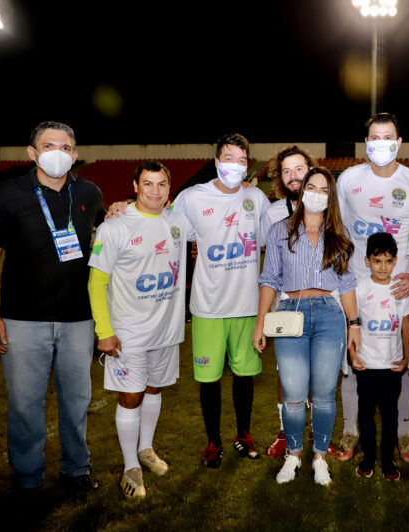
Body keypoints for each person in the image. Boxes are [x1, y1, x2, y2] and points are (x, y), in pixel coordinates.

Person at [0, 121, 104, 495]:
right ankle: (28, 478)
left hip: (79, 320)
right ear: (32, 153)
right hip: (21, 320)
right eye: (49, 145)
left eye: (66, 147)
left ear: (75, 155)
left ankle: (76, 470)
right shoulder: (8, 194)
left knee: (77, 403)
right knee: (24, 406)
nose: (58, 152)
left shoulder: (90, 192)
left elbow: (111, 239)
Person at [336, 112, 409, 463]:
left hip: (400, 289)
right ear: (366, 143)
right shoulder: (348, 179)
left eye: (388, 137)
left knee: (401, 362)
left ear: (399, 141)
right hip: (358, 287)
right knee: (355, 359)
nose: (382, 144)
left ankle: (404, 435)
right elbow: (343, 232)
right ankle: (351, 432)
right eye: (375, 138)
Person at [87, 161, 188, 498]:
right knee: (130, 397)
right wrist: (104, 331)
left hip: (166, 330)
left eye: (161, 184)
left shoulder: (177, 219)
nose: (155, 191)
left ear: (169, 189)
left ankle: (146, 449)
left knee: (155, 389)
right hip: (128, 332)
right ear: (135, 186)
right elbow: (96, 283)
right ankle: (130, 465)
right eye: (148, 184)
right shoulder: (115, 225)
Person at [254, 166, 360, 486]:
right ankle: (294, 454)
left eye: (323, 190)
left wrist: (354, 324)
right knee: (294, 393)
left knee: (326, 394)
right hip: (290, 313)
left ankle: (320, 457)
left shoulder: (339, 235)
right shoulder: (279, 230)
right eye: (311, 188)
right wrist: (260, 323)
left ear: (331, 196)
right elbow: (269, 279)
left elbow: (347, 284)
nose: (316, 194)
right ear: (302, 192)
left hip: (330, 314)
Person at [171, 133, 271, 464]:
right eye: (229, 158)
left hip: (246, 306)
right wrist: (123, 208)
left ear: (247, 165)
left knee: (245, 375)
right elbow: (163, 225)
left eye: (242, 160)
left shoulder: (256, 198)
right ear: (216, 162)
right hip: (208, 307)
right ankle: (214, 442)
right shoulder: (192, 197)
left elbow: (279, 235)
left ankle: (243, 434)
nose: (235, 165)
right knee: (209, 379)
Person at [261, 145, 320, 458]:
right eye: (286, 171)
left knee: (318, 373)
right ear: (278, 177)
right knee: (287, 373)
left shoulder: (330, 206)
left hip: (324, 304)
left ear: (311, 168)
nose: (294, 176)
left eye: (299, 169)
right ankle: (286, 432)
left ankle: (314, 431)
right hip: (285, 304)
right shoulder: (272, 212)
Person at [352, 232, 409, 480]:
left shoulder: (401, 290)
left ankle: (388, 460)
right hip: (366, 365)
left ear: (396, 261)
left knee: (390, 414)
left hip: (392, 366)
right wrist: (353, 355)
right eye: (377, 260)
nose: (383, 266)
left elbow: (406, 325)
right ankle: (368, 457)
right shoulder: (359, 288)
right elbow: (351, 324)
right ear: (367, 260)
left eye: (389, 261)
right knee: (366, 412)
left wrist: (406, 357)